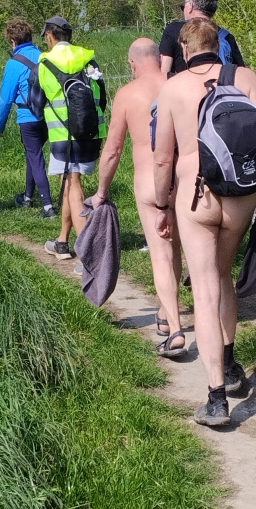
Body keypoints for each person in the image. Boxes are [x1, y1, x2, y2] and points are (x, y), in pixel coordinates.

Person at [154, 18, 256, 425]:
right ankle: (229, 363)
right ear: (218, 45)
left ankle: (216, 398)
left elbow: (163, 158)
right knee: (223, 277)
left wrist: (162, 204)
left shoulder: (173, 87)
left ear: (185, 48)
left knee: (206, 288)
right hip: (240, 193)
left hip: (197, 195)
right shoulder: (245, 77)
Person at [89, 38, 186, 356]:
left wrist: (102, 191)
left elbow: (113, 150)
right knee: (178, 249)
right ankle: (165, 312)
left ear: (132, 63)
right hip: (185, 180)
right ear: (158, 58)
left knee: (161, 253)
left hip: (150, 183)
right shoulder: (179, 84)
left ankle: (175, 328)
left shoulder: (128, 94)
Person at [37, 15, 106, 259]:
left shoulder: (45, 62)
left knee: (72, 184)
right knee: (71, 181)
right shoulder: (88, 58)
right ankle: (62, 242)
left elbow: (35, 103)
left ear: (49, 36)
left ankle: (88, 254)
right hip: (93, 131)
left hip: (63, 134)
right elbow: (103, 97)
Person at [0, 17, 56, 217]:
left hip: (27, 117)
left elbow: (5, 100)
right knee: (33, 155)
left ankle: (48, 205)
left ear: (13, 41)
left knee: (35, 158)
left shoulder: (13, 64)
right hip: (48, 115)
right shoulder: (44, 57)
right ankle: (28, 197)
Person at [159, 0, 245, 76]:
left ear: (190, 6)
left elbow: (164, 71)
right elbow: (240, 73)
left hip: (186, 84)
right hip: (219, 84)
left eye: (183, 6)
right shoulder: (226, 36)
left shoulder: (173, 30)